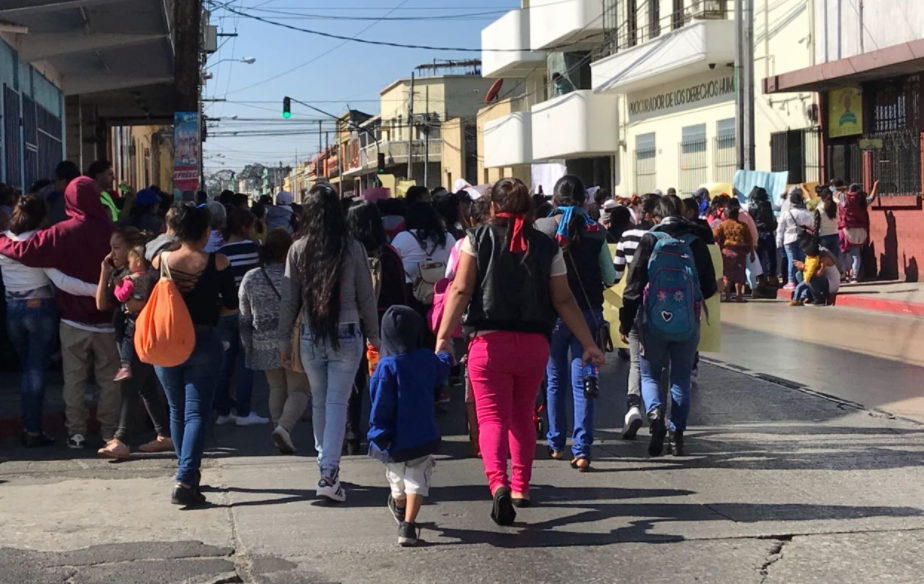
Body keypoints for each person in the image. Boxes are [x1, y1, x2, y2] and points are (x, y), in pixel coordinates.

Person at [434, 177, 605, 525]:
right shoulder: (547, 245)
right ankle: (522, 487)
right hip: (533, 344)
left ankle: (498, 484)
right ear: (528, 209)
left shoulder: (475, 240)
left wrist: (442, 338)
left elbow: (461, 291)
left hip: (488, 343)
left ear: (493, 207)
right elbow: (563, 299)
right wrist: (588, 343)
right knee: (522, 414)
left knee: (492, 417)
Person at [278, 184, 381, 503]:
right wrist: (375, 337)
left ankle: (326, 469)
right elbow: (366, 297)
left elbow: (289, 299)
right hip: (348, 334)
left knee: (321, 403)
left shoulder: (298, 248)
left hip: (310, 334)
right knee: (336, 404)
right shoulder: (353, 247)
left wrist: (283, 339)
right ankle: (328, 473)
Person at [0, 177, 119, 449]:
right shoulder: (112, 231)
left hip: (72, 319)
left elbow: (24, 250)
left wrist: (2, 242)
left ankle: (75, 433)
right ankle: (110, 431)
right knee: (109, 379)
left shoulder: (59, 232)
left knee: (73, 379)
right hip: (107, 319)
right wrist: (106, 295)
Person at [152, 202, 237, 506]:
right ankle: (186, 477)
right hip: (203, 341)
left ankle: (184, 472)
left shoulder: (159, 260)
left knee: (176, 410)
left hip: (165, 343)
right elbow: (231, 304)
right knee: (196, 412)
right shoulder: (219, 262)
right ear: (205, 232)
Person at [619, 196, 717, 457]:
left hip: (652, 323)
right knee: (681, 377)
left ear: (656, 215)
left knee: (650, 374)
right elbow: (709, 288)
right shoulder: (696, 241)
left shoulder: (650, 239)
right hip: (687, 323)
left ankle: (655, 415)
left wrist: (625, 320)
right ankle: (677, 435)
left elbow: (634, 285)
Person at [535, 175, 616, 471]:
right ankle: (582, 450)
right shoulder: (596, 231)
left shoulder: (543, 228)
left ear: (554, 200)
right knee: (585, 380)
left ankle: (556, 443)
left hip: (554, 314)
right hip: (590, 314)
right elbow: (609, 276)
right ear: (584, 201)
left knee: (554, 378)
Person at [368, 305, 454, 547]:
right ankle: (408, 525)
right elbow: (442, 367)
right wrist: (447, 353)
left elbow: (380, 404)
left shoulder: (386, 367)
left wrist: (378, 432)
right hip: (422, 432)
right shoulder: (426, 358)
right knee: (418, 477)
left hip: (393, 438)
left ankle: (399, 504)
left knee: (396, 478)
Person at [96, 228, 172, 459]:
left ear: (133, 251)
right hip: (125, 336)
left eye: (117, 248)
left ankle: (121, 439)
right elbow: (101, 304)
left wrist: (141, 306)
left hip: (143, 336)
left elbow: (164, 299)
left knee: (129, 384)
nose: (113, 253)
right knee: (145, 388)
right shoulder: (120, 275)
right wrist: (104, 272)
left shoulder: (149, 274)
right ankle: (165, 434)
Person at [239, 228, 310, 454]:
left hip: (262, 340)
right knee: (299, 389)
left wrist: (247, 345)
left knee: (276, 386)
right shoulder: (298, 274)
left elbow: (244, 317)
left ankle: (278, 431)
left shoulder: (251, 277)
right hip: (294, 339)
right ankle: (284, 428)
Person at [345, 201, 408, 455]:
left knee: (351, 380)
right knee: (381, 379)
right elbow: (401, 295)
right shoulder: (389, 254)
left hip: (350, 322)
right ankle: (381, 429)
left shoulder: (346, 254)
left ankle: (351, 432)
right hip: (383, 325)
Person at [613, 192, 660, 439]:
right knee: (659, 363)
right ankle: (658, 412)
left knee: (635, 361)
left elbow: (616, 275)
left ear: (639, 213)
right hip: (663, 308)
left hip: (636, 303)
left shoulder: (627, 236)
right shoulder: (664, 236)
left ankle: (633, 408)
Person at [215, 207, 267, 427]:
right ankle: (244, 412)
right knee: (247, 362)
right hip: (249, 312)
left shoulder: (220, 252)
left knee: (224, 363)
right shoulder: (254, 249)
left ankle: (223, 410)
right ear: (245, 227)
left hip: (224, 313)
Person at [111, 244, 152, 381]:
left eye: (129, 262)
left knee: (128, 339)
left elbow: (122, 296)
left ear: (139, 261)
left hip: (133, 316)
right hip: (146, 316)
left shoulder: (130, 280)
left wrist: (117, 286)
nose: (128, 266)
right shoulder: (151, 278)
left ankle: (125, 365)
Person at [713, 198, 756, 303]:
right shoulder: (743, 226)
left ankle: (727, 296)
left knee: (727, 275)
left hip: (726, 252)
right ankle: (739, 296)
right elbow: (749, 240)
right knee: (739, 275)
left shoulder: (722, 225)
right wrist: (752, 253)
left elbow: (714, 237)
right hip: (740, 252)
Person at [837, 181, 878, 282]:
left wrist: (843, 188)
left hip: (848, 229)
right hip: (860, 230)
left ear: (850, 190)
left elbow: (836, 193)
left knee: (842, 253)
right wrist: (875, 186)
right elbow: (872, 198)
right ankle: (855, 276)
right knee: (856, 254)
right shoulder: (862, 200)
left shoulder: (845, 199)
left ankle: (842, 275)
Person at [776, 186, 813, 290]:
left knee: (791, 260)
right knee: (801, 260)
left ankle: (791, 281)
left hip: (789, 239)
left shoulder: (786, 213)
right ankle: (801, 280)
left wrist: (779, 242)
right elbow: (812, 226)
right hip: (803, 240)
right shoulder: (807, 213)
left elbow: (780, 229)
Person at [790, 233, 841, 307]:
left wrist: (804, 267)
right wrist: (801, 268)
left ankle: (818, 299)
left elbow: (818, 273)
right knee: (799, 274)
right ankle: (808, 295)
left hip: (831, 284)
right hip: (822, 281)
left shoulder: (825, 258)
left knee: (811, 276)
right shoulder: (812, 259)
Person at [748, 187, 778, 287]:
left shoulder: (752, 206)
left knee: (759, 257)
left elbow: (751, 221)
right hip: (768, 232)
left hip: (757, 232)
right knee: (771, 256)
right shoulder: (768, 205)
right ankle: (772, 277)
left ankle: (761, 279)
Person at [813, 186, 841, 269]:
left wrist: (814, 238)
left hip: (823, 236)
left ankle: (827, 276)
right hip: (835, 234)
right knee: (834, 258)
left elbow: (816, 225)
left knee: (824, 259)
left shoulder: (819, 209)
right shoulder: (836, 206)